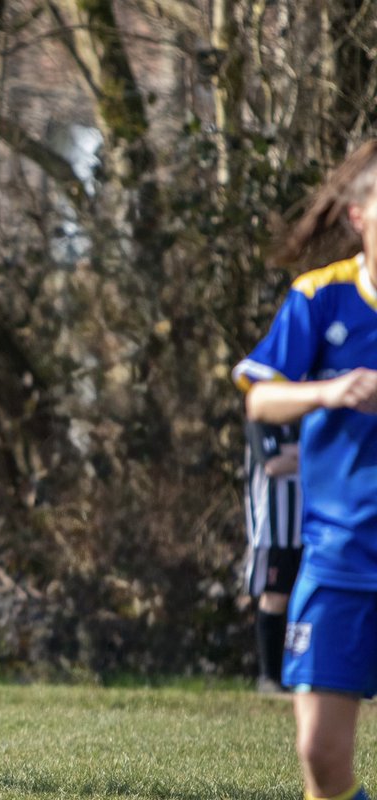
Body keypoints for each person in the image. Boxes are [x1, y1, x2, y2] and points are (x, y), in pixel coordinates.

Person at [232, 139, 377, 800]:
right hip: (340, 554)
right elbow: (260, 399)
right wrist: (328, 390)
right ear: (358, 215)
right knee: (320, 752)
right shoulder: (320, 298)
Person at [242, 420, 303, 693]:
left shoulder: (299, 421)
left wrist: (292, 453)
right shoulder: (260, 420)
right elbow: (273, 464)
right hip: (273, 529)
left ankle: (296, 675)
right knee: (275, 596)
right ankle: (269, 677)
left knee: (301, 600)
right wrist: (305, 455)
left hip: (304, 528)